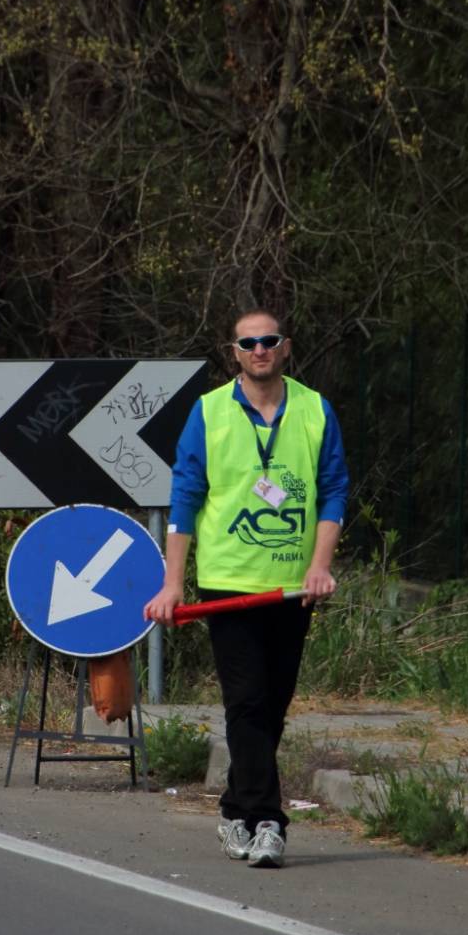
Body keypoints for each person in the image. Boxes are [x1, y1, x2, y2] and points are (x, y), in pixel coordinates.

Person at [144, 310, 349, 867]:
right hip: (227, 585)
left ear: (285, 348)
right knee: (247, 700)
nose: (260, 349)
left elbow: (334, 489)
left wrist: (320, 566)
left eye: (269, 340)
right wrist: (172, 583)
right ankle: (267, 822)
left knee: (272, 706)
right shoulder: (209, 411)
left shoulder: (314, 409)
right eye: (249, 342)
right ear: (234, 352)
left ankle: (234, 808)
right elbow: (185, 497)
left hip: (291, 588)